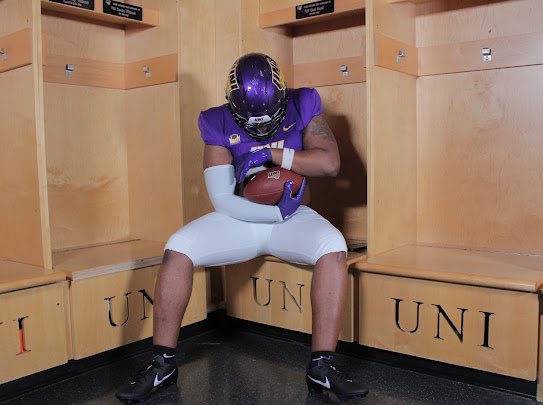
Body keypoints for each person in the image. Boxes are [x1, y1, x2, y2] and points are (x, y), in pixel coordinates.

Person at [115, 52, 369, 402]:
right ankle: (163, 363)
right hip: (243, 217)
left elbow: (329, 163)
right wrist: (275, 214)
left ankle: (321, 368)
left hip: (294, 218)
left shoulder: (303, 102)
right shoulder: (215, 122)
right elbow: (222, 199)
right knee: (178, 248)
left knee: (334, 246)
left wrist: (273, 156)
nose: (262, 126)